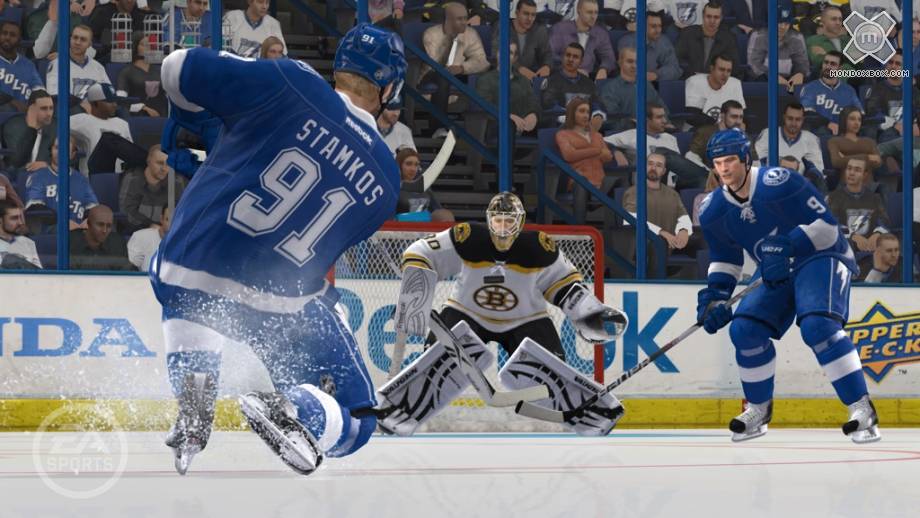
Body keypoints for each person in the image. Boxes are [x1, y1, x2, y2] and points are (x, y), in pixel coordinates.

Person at [151, 24, 407, 477]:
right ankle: (294, 406)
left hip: (183, 264)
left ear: (340, 67)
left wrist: (199, 124)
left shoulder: (293, 81)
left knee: (193, 290)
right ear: (389, 88)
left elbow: (176, 68)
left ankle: (193, 400)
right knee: (359, 419)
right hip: (272, 303)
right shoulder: (387, 179)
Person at [376, 191, 627, 437]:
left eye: (509, 221)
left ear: (520, 222)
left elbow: (565, 285)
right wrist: (417, 280)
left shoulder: (539, 247)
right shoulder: (467, 238)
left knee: (551, 370)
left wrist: (589, 312)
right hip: (467, 312)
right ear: (489, 220)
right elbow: (421, 251)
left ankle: (586, 411)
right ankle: (403, 407)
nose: (503, 227)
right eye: (498, 220)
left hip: (526, 318)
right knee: (437, 358)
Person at [696, 128, 880, 444]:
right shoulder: (712, 208)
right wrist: (715, 297)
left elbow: (827, 228)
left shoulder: (780, 182)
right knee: (744, 330)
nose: (724, 169)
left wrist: (788, 244)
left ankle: (861, 408)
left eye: (730, 161)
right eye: (718, 163)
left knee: (818, 327)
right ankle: (758, 409)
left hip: (821, 255)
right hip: (775, 267)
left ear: (746, 158)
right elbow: (725, 259)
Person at [420, 2, 489, 138]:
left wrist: (462, 68)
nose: (464, 22)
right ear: (448, 20)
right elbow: (436, 64)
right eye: (459, 19)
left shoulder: (470, 34)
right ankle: (438, 128)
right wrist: (449, 39)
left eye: (465, 18)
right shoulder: (431, 34)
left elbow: (482, 61)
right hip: (432, 74)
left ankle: (478, 133)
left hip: (458, 73)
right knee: (443, 76)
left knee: (486, 77)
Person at [622, 152, 693, 274]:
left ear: (664, 171)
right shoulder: (634, 192)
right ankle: (656, 281)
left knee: (704, 241)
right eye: (650, 164)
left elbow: (683, 216)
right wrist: (661, 232)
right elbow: (631, 219)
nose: (653, 168)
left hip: (672, 242)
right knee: (657, 242)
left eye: (658, 165)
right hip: (645, 242)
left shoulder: (672, 194)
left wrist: (684, 230)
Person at [25, 137, 99, 228]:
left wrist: (88, 221)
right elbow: (34, 207)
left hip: (79, 230)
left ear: (72, 154)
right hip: (51, 230)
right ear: (51, 150)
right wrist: (63, 222)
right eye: (57, 148)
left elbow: (93, 207)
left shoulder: (81, 179)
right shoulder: (38, 177)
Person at [754, 102, 825, 190]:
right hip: (770, 184)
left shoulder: (811, 139)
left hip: (798, 187)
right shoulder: (769, 133)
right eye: (790, 118)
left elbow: (817, 170)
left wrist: (805, 181)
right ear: (784, 117)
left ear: (803, 120)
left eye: (798, 119)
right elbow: (757, 164)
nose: (794, 123)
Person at [826, 157, 891, 252]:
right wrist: (853, 236)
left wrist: (877, 233)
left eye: (857, 170)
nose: (851, 173)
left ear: (865, 174)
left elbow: (884, 221)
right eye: (849, 168)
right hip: (845, 248)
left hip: (870, 248)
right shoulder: (834, 197)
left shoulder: (874, 198)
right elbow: (832, 224)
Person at [474, 41, 540, 136]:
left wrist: (533, 115)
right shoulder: (485, 80)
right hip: (498, 130)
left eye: (510, 53)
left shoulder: (523, 80)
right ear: (497, 54)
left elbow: (533, 101)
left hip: (524, 130)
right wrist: (509, 117)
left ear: (515, 58)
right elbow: (485, 106)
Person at [597, 47, 668, 132]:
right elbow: (611, 120)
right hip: (625, 134)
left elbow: (662, 108)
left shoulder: (647, 85)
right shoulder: (610, 89)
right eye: (630, 61)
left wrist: (665, 122)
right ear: (620, 63)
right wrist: (635, 124)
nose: (634, 66)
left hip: (652, 131)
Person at [119, 145, 184, 232]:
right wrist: (149, 225)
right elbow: (127, 212)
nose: (164, 169)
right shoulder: (133, 179)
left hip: (165, 232)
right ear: (148, 161)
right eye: (160, 163)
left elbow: (179, 212)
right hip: (136, 231)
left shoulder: (175, 182)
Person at [541, 42, 605, 130]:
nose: (570, 59)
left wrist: (597, 115)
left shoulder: (589, 83)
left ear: (581, 62)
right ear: (563, 57)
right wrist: (572, 118)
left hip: (586, 129)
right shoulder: (551, 81)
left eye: (575, 57)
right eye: (568, 55)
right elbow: (549, 105)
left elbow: (597, 103)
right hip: (559, 128)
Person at [549, 0, 616, 80]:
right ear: (579, 11)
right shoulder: (560, 29)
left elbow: (609, 57)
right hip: (561, 76)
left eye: (596, 12)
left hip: (588, 79)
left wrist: (604, 69)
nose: (593, 17)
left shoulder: (600, 33)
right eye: (589, 12)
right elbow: (550, 54)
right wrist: (571, 68)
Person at [800, 51, 862, 137]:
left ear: (840, 69)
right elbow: (807, 112)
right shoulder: (810, 88)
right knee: (822, 130)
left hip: (844, 132)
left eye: (833, 64)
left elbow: (859, 112)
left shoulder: (849, 90)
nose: (828, 66)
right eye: (826, 62)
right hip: (820, 131)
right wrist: (828, 123)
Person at [555, 97, 612, 191]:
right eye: (582, 111)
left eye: (588, 112)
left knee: (619, 183)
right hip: (579, 181)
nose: (586, 115)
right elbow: (569, 155)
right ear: (572, 113)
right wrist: (597, 151)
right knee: (582, 184)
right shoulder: (563, 134)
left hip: (601, 181)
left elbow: (608, 156)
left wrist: (582, 152)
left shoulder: (597, 135)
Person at [746, 3, 808, 90]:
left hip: (789, 81)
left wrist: (800, 73)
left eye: (786, 23)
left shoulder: (797, 38)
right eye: (779, 22)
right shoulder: (758, 36)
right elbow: (753, 64)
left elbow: (803, 63)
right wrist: (772, 76)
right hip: (764, 81)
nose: (782, 27)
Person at [45, 25, 111, 105]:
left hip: (95, 111)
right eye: (75, 38)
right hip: (69, 110)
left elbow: (109, 94)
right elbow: (55, 96)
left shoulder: (98, 67)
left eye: (83, 40)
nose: (77, 42)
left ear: (89, 44)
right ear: (70, 39)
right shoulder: (57, 64)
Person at [675, 2, 740, 79]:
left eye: (716, 17)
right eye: (708, 16)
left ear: (721, 18)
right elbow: (677, 60)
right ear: (703, 16)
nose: (712, 21)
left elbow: (734, 67)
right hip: (689, 80)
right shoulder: (687, 34)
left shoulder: (729, 38)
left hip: (717, 82)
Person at [491, 0, 552, 81]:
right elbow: (496, 54)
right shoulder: (502, 26)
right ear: (517, 13)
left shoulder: (539, 31)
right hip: (505, 77)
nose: (529, 19)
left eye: (533, 15)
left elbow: (547, 54)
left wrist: (547, 66)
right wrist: (519, 68)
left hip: (531, 79)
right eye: (526, 14)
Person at [617, 10, 682, 82]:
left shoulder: (663, 41)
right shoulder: (627, 42)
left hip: (655, 84)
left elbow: (675, 69)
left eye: (659, 26)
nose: (658, 30)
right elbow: (628, 70)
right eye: (653, 26)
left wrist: (657, 74)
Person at [684, 54, 746, 127]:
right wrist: (717, 124)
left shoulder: (735, 84)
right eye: (721, 69)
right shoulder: (695, 82)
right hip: (698, 129)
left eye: (728, 71)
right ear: (712, 68)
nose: (725, 74)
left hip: (728, 129)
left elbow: (742, 113)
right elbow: (692, 116)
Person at [2, 90, 55, 174]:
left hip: (45, 177)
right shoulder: (13, 126)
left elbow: (69, 157)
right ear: (31, 109)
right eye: (44, 108)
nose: (49, 113)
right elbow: (17, 161)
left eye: (51, 108)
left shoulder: (56, 127)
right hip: (17, 176)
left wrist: (47, 164)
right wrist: (32, 129)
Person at [394, 147, 453, 221]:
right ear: (399, 165)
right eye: (408, 164)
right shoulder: (393, 189)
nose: (413, 169)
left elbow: (439, 212)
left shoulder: (425, 188)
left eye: (416, 165)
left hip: (425, 226)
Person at [118, 32, 168, 117]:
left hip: (162, 116)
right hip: (139, 117)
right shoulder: (127, 72)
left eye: (150, 44)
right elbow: (120, 101)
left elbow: (170, 95)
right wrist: (143, 107)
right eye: (144, 44)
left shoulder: (160, 70)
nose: (148, 47)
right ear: (135, 46)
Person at [69, 204, 133, 270]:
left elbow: (128, 272)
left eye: (108, 226)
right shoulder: (69, 241)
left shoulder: (117, 243)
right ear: (89, 223)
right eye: (100, 225)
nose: (104, 230)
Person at [0, 21, 44, 113]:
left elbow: (39, 91)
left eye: (12, 35)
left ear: (19, 40)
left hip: (21, 116)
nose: (7, 37)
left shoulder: (28, 65)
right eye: (4, 33)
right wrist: (11, 101)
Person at [827, 106, 882, 175]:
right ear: (844, 120)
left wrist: (846, 159)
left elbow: (878, 162)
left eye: (859, 120)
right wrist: (866, 157)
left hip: (869, 181)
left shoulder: (869, 141)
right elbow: (837, 162)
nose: (857, 123)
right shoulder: (834, 141)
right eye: (852, 119)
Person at [0, 199, 41, 268]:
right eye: (14, 218)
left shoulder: (28, 243)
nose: (20, 222)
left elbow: (39, 273)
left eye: (20, 217)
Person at [128, 206, 171, 271]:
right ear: (161, 219)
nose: (171, 224)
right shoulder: (141, 237)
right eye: (168, 219)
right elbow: (129, 268)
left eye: (175, 220)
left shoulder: (185, 244)